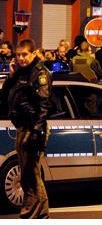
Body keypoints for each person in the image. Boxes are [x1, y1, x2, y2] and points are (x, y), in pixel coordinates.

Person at [2, 39, 53, 218]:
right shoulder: (21, 73)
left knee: (31, 175)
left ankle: (35, 214)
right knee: (27, 175)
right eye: (18, 55)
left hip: (33, 128)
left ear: (33, 54)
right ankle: (39, 214)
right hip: (23, 127)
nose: (21, 58)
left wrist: (36, 132)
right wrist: (12, 74)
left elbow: (44, 105)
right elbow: (5, 94)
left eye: (25, 54)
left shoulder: (40, 74)